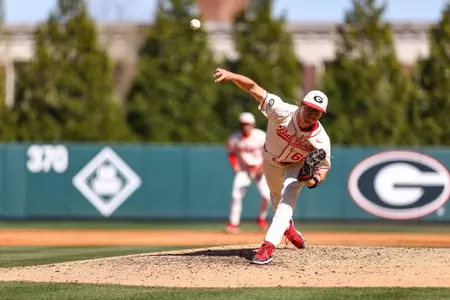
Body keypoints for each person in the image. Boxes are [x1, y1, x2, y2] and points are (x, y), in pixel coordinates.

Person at [214, 68, 331, 265]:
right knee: (276, 201)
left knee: (287, 199)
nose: (312, 114)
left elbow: (324, 168)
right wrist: (233, 76)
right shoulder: (280, 110)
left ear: (321, 114)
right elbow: (253, 87)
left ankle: (267, 246)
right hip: (270, 161)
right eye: (310, 108)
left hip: (296, 166)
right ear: (301, 104)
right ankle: (288, 227)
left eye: (317, 112)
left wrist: (312, 180)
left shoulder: (321, 140)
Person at [225, 112, 271, 234]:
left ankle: (261, 218)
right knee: (236, 196)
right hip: (244, 170)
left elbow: (269, 153)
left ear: (253, 125)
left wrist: (262, 167)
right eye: (243, 124)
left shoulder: (261, 136)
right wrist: (234, 165)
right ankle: (233, 223)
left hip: (260, 169)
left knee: (267, 196)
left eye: (248, 124)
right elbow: (231, 153)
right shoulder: (234, 138)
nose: (246, 126)